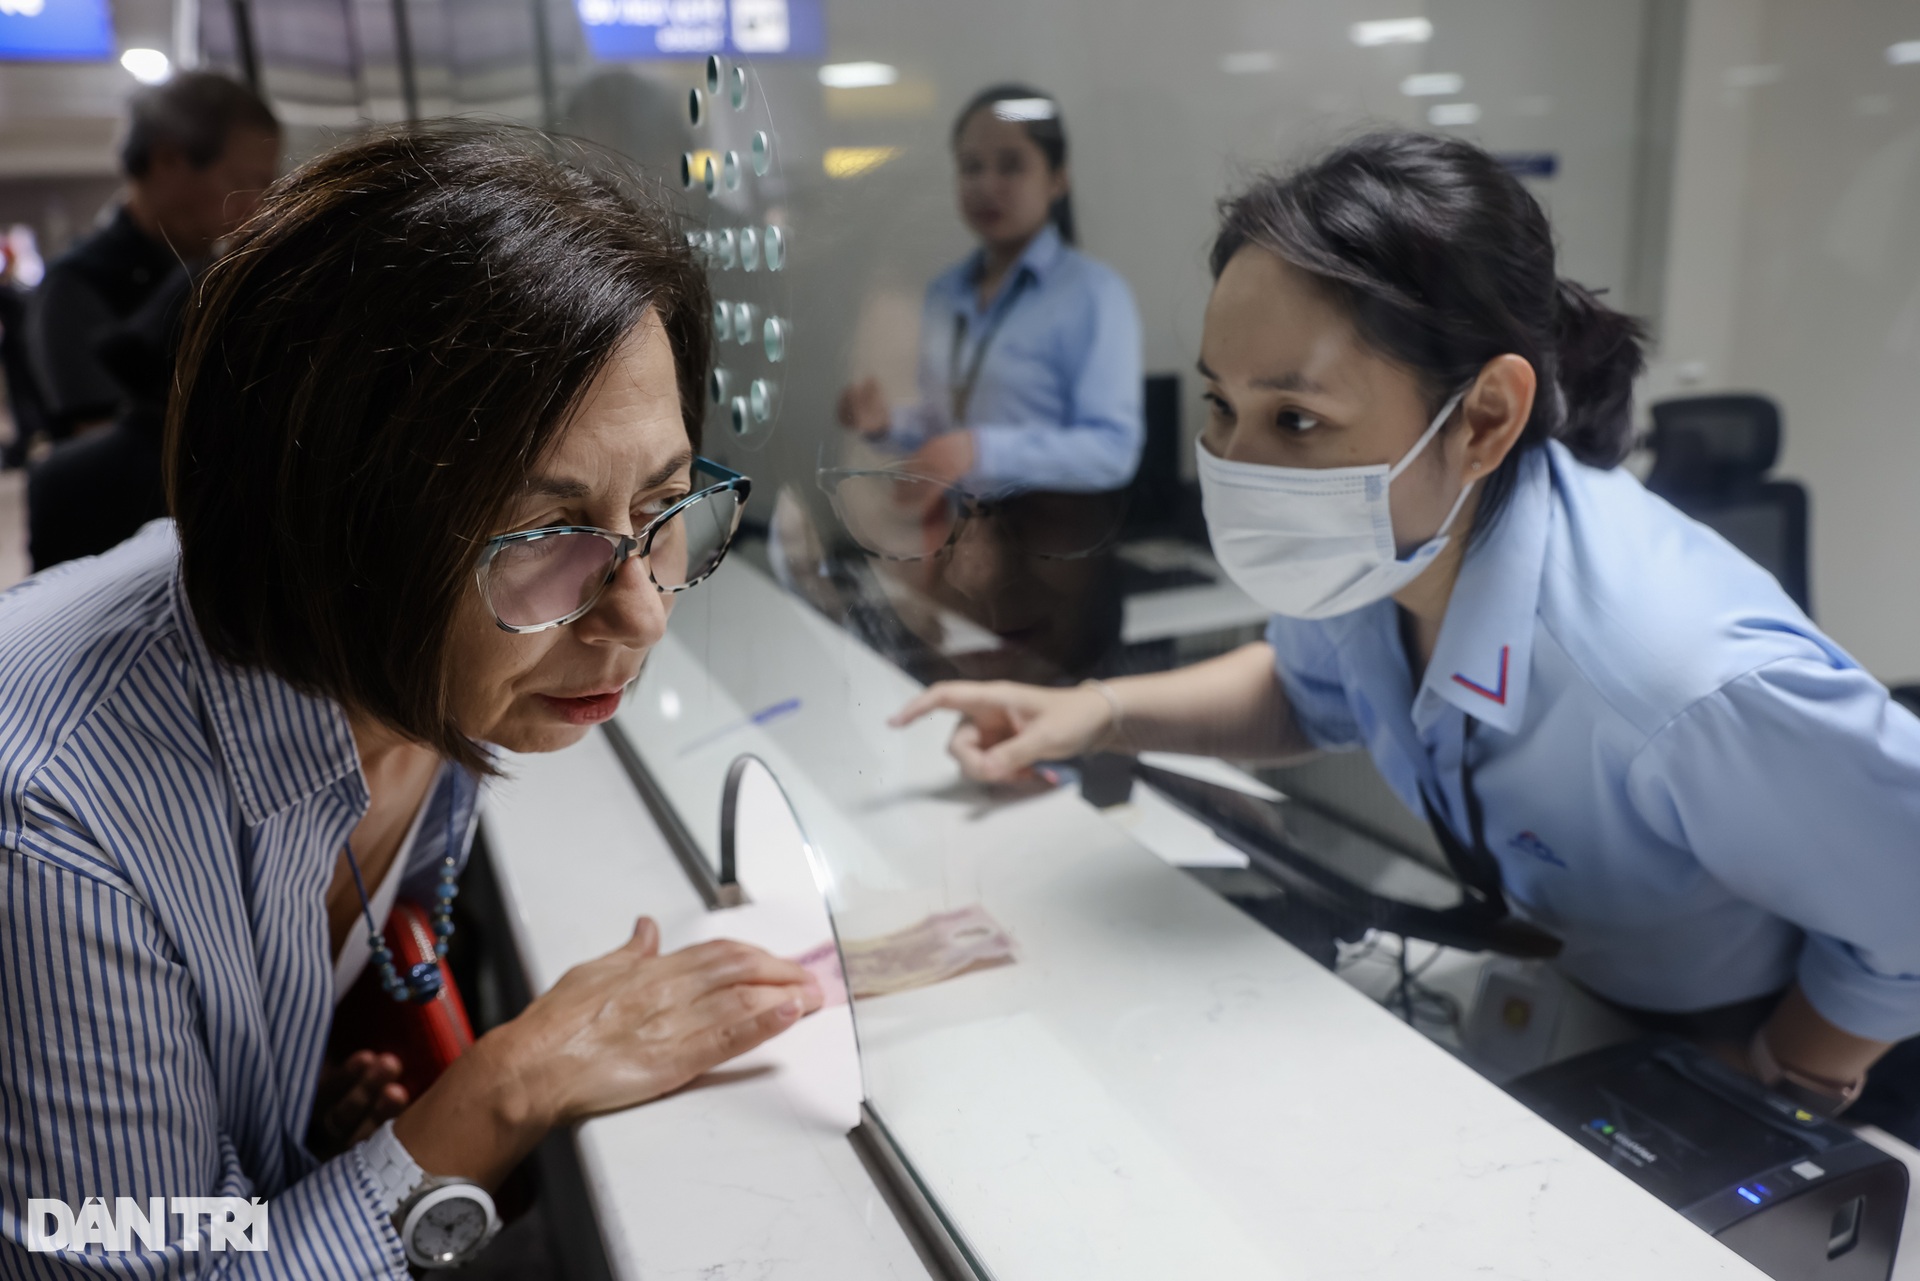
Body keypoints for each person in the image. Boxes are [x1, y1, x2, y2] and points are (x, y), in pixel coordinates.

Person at [894, 130, 1920, 1135]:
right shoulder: (1385, 546)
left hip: (1743, 1032)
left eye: (1295, 420)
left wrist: (1779, 1086)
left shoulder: (1676, 678)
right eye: (1219, 405)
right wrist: (1092, 714)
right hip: (1578, 982)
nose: (1236, 465)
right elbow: (1305, 691)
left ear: (1481, 420)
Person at [0, 127, 822, 1276]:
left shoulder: (413, 661)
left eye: (666, 506)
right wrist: (504, 1091)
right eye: (546, 536)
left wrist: (304, 1132)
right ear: (335, 525)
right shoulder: (58, 835)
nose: (639, 615)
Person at [836, 82, 1143, 496]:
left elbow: (1113, 450)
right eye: (972, 167)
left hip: (1053, 542)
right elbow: (945, 423)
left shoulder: (1095, 293)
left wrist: (979, 451)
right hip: (963, 541)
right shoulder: (945, 292)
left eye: (1011, 166)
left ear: (1057, 179)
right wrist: (887, 425)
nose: (987, 185)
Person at [27, 70, 278, 439]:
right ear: (167, 161)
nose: (258, 205)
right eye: (241, 182)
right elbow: (111, 459)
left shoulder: (216, 267)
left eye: (267, 185)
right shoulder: (77, 286)